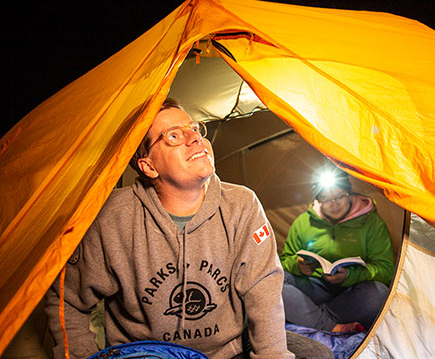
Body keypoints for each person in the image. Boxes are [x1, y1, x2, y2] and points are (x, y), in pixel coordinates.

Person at [44, 98, 333, 358]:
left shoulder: (241, 205)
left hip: (228, 351)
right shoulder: (114, 219)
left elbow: (264, 292)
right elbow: (67, 300)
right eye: (174, 135)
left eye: (194, 129)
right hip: (151, 354)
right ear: (148, 166)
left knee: (317, 355)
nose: (195, 138)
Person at [279, 165, 395, 333]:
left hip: (352, 291)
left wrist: (350, 275)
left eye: (339, 196)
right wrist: (298, 265)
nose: (333, 204)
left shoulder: (371, 222)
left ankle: (312, 317)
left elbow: (386, 270)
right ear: (318, 200)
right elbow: (283, 261)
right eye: (325, 199)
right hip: (316, 286)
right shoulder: (303, 222)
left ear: (349, 193)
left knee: (379, 293)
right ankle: (329, 325)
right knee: (275, 280)